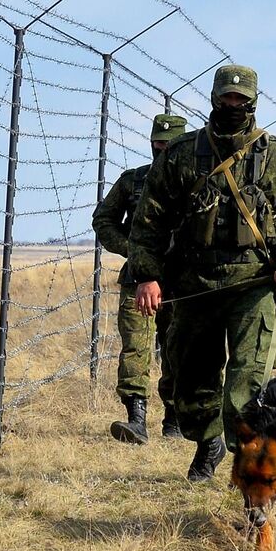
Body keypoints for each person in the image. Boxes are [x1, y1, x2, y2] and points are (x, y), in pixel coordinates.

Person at [124, 66, 276, 482]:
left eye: (241, 100)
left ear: (253, 101)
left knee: (245, 384)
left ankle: (251, 473)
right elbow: (149, 223)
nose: (233, 106)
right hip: (193, 284)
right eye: (227, 98)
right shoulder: (181, 156)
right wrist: (148, 275)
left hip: (254, 285)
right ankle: (208, 440)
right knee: (191, 385)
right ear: (215, 97)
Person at [92, 113, 189, 445]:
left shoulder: (195, 183)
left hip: (181, 283)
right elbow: (104, 219)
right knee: (136, 348)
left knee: (178, 350)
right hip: (137, 281)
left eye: (168, 145)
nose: (161, 150)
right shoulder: (133, 181)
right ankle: (136, 419)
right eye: (156, 144)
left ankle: (174, 419)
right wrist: (131, 250)